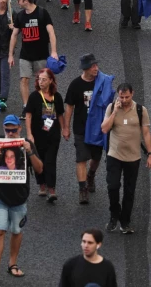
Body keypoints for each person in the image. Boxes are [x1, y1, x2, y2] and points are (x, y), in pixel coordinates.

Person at [0, 115, 42, 282]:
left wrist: (29, 152)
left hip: (20, 197)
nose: (10, 133)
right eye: (7, 130)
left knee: (16, 231)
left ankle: (12, 264)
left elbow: (40, 168)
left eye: (13, 130)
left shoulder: (27, 144)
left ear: (19, 129)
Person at [101, 83, 151, 234]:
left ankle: (125, 221)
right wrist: (114, 112)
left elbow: (146, 133)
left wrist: (150, 154)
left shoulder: (140, 110)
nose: (124, 100)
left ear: (133, 94)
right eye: (121, 97)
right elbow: (104, 129)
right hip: (114, 155)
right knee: (113, 186)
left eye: (127, 97)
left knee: (129, 191)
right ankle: (114, 214)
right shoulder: (112, 108)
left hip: (133, 157)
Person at [63, 54, 109, 205]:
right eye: (93, 66)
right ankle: (82, 189)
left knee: (96, 157)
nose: (96, 68)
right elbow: (69, 106)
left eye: (96, 65)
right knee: (81, 158)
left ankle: (91, 175)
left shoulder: (101, 82)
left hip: (98, 127)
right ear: (85, 68)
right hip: (81, 128)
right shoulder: (75, 85)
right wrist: (66, 127)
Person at [9, 0, 59, 118]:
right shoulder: (20, 16)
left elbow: (51, 32)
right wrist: (10, 55)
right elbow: (14, 35)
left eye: (19, 0)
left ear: (26, 0)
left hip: (41, 56)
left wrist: (54, 52)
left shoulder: (42, 13)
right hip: (25, 55)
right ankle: (26, 107)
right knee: (24, 80)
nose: (18, 2)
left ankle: (46, 108)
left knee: (43, 82)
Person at [25, 68, 65, 202]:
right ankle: (42, 185)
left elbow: (60, 114)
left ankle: (51, 189)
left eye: (44, 79)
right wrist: (29, 134)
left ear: (51, 80)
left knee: (50, 161)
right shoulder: (34, 96)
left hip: (53, 136)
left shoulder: (57, 97)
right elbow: (28, 115)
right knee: (39, 161)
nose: (41, 82)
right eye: (39, 79)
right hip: (37, 135)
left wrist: (64, 129)